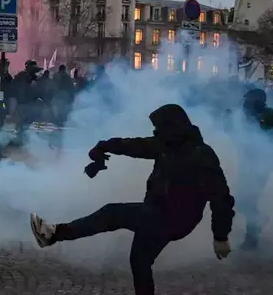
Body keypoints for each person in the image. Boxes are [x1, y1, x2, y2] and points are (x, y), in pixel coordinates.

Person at [29, 104, 234, 295]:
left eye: (159, 127)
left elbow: (221, 198)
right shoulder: (167, 145)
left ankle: (54, 233)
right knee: (139, 261)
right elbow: (135, 146)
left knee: (113, 213)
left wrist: (221, 236)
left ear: (173, 126)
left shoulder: (201, 155)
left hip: (175, 219)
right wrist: (104, 146)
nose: (156, 132)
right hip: (156, 212)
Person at [235, 88, 273, 250]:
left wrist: (267, 157)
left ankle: (252, 238)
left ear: (258, 100)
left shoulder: (270, 116)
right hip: (248, 162)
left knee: (248, 198)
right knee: (242, 199)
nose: (245, 102)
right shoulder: (250, 115)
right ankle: (258, 222)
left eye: (249, 99)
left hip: (261, 165)